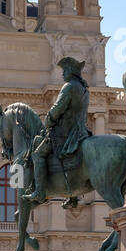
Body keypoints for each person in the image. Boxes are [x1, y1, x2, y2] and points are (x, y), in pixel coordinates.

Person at [24, 56, 92, 207]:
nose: (62, 74)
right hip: (82, 131)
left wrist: (49, 120)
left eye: (64, 71)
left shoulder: (68, 87)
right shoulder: (83, 88)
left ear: (70, 72)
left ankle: (40, 191)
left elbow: (57, 109)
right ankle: (73, 196)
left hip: (65, 132)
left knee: (38, 154)